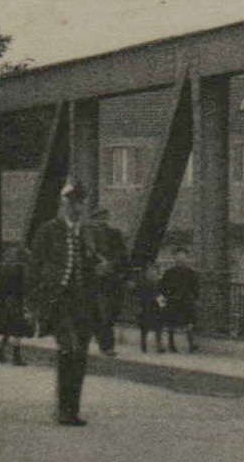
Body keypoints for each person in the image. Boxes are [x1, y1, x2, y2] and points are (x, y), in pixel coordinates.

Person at [29, 180, 101, 426]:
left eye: (79, 203)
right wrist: (37, 300)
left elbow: (93, 265)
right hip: (59, 301)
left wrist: (99, 266)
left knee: (80, 354)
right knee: (68, 349)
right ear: (63, 204)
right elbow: (35, 266)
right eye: (72, 203)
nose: (76, 208)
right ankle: (63, 408)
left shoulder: (88, 233)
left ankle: (72, 409)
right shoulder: (49, 230)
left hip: (82, 302)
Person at [87, 207, 128, 356]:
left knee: (110, 312)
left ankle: (105, 343)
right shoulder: (85, 236)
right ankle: (106, 345)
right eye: (98, 219)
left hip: (111, 278)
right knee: (100, 313)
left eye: (104, 219)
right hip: (92, 280)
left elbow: (122, 254)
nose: (101, 222)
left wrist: (110, 264)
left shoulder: (115, 234)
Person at [0, 246, 33, 365]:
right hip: (16, 302)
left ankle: (1, 351)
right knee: (17, 330)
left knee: (6, 329)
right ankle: (16, 356)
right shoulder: (21, 270)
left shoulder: (4, 269)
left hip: (5, 303)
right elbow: (24, 288)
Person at [160, 251, 201, 354]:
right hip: (173, 300)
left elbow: (196, 288)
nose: (181, 262)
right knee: (171, 324)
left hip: (186, 301)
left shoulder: (191, 273)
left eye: (182, 260)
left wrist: (196, 298)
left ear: (186, 260)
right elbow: (161, 288)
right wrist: (162, 302)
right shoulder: (169, 273)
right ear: (175, 260)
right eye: (178, 260)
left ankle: (191, 344)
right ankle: (171, 345)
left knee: (189, 323)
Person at [134, 263, 166, 354]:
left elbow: (162, 294)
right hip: (146, 307)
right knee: (145, 328)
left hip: (156, 307)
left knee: (159, 327)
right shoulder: (143, 283)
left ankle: (159, 345)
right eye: (151, 271)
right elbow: (139, 295)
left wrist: (162, 305)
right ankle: (143, 345)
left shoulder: (160, 283)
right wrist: (139, 306)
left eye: (155, 271)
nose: (153, 273)